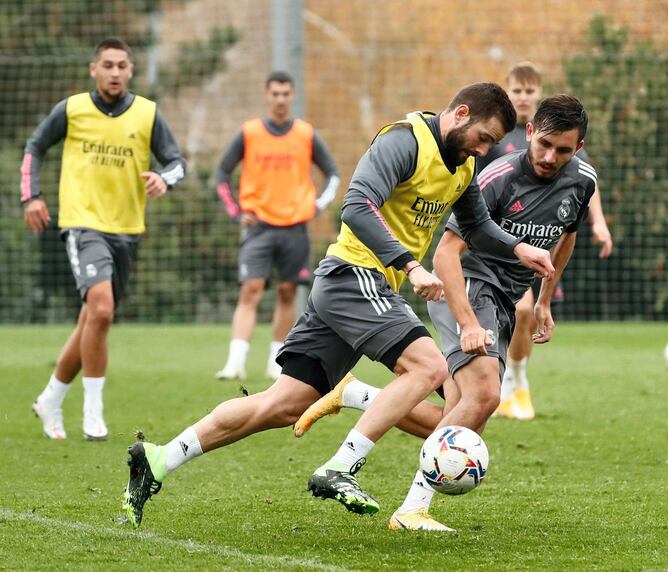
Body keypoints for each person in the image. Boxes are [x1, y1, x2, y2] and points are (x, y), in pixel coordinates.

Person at [122, 82, 555, 528]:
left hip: (357, 287)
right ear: (461, 114)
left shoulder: (462, 168)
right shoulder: (404, 141)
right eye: (484, 138)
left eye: (492, 144)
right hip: (354, 276)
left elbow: (477, 225)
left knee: (282, 405)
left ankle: (158, 458)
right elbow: (356, 205)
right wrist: (410, 265)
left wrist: (520, 249)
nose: (485, 150)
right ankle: (340, 467)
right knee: (430, 369)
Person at [294, 94, 596, 531]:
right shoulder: (494, 175)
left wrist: (545, 298)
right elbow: (447, 252)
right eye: (544, 144)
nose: (551, 157)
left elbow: (566, 235)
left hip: (507, 299)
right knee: (485, 396)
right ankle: (406, 504)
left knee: (462, 418)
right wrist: (469, 321)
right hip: (472, 286)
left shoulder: (583, 181)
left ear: (579, 149)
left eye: (563, 150)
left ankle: (359, 396)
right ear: (529, 133)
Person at [21, 38, 186, 441]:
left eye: (121, 66)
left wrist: (163, 178)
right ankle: (92, 413)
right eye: (107, 65)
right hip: (82, 223)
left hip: (127, 229)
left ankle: (50, 398)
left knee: (93, 319)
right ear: (93, 69)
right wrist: (31, 196)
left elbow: (178, 163)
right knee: (102, 310)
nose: (114, 72)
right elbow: (35, 147)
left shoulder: (147, 113)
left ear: (131, 70)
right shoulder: (72, 109)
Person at [481, 61, 613, 420]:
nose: (550, 157)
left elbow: (585, 188)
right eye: (517, 91)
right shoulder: (497, 137)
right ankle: (492, 387)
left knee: (525, 312)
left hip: (536, 246)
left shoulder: (565, 143)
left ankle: (516, 385)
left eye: (529, 91)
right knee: (504, 317)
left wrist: (598, 222)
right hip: (492, 247)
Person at [214, 71, 340, 381]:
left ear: (293, 96)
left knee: (287, 293)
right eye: (275, 94)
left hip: (295, 228)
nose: (280, 99)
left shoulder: (306, 134)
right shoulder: (249, 133)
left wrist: (317, 205)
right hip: (258, 227)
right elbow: (221, 174)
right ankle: (235, 362)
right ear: (266, 95)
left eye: (286, 94)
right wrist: (235, 213)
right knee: (251, 290)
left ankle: (276, 360)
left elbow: (333, 174)